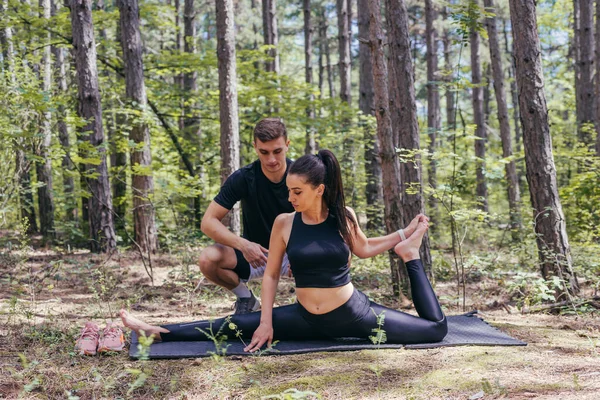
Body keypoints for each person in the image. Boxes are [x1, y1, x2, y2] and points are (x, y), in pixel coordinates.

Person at [120, 150, 447, 348]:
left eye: (297, 192)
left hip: (354, 315)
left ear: (319, 190)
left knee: (435, 330)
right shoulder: (285, 223)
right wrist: (265, 322)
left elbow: (363, 247)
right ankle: (158, 332)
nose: (290, 198)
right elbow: (271, 275)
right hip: (304, 317)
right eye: (289, 191)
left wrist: (405, 235)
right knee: (229, 328)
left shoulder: (342, 217)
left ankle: (411, 255)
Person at [199, 118, 295, 314]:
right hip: (257, 255)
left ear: (287, 145)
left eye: (277, 151)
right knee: (208, 259)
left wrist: (304, 250)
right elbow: (208, 222)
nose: (271, 160)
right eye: (264, 152)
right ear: (255, 147)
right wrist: (244, 245)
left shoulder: (302, 175)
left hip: (296, 254)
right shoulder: (244, 177)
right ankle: (246, 299)